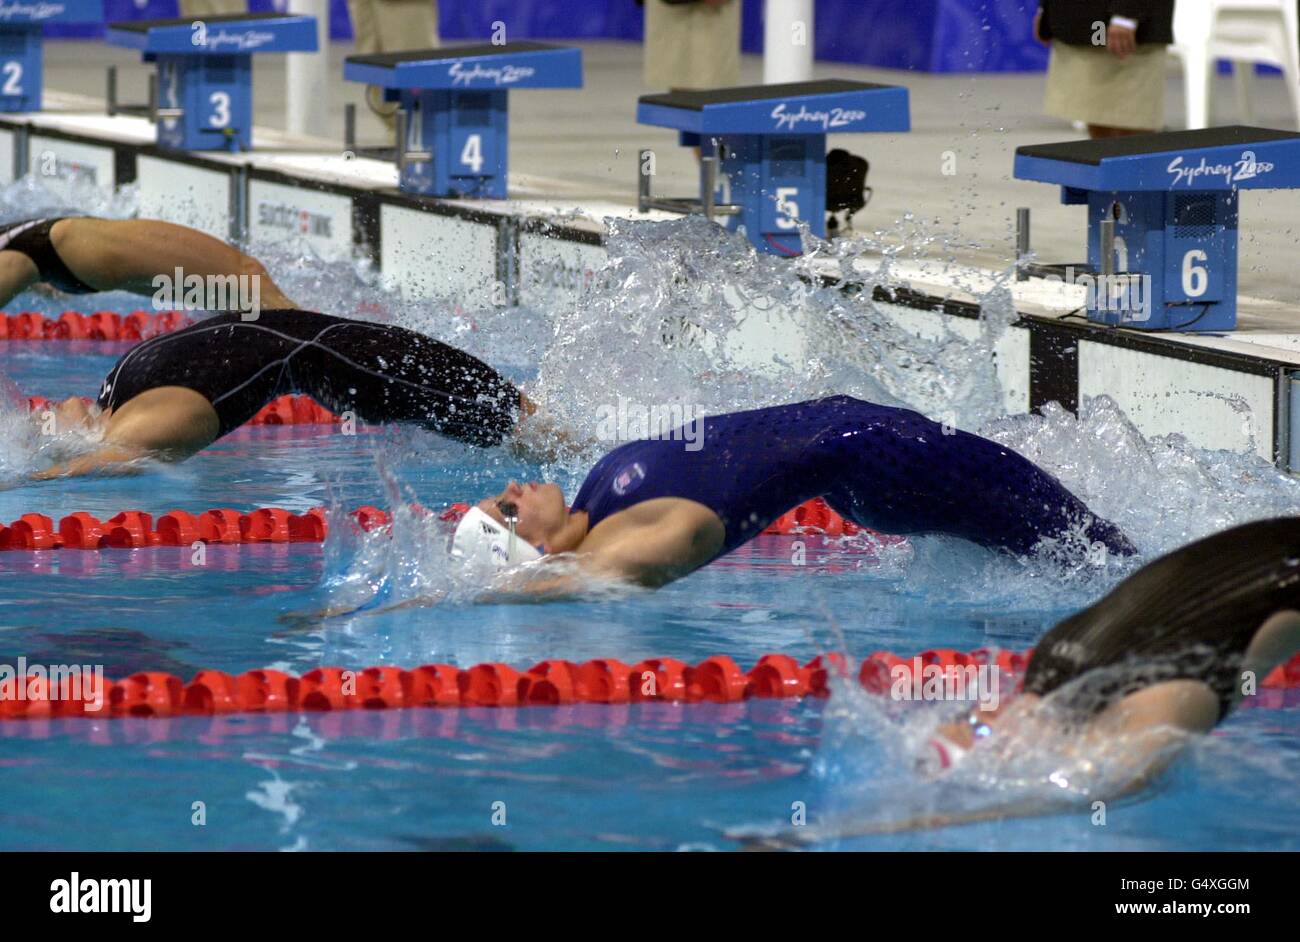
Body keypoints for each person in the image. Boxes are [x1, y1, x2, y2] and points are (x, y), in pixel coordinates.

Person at [736, 517, 1300, 847]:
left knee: (1011, 752)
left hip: (1072, 641)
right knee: (1107, 788)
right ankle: (837, 836)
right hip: (1176, 667)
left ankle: (917, 779)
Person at [452, 395, 1135, 593]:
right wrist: (472, 593)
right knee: (1094, 548)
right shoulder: (621, 547)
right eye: (508, 510)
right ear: (537, 549)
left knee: (1064, 543)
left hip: (868, 451)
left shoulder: (595, 498)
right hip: (883, 460)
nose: (513, 488)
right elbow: (591, 579)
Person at [31, 308, 542, 480]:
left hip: (341, 346)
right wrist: (32, 481)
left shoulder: (115, 396)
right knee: (525, 428)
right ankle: (582, 452)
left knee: (519, 417)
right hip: (351, 364)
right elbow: (119, 459)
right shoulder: (138, 425)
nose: (47, 411)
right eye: (49, 424)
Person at [0, 216, 296, 313]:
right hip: (76, 254)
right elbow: (19, 263)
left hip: (76, 268)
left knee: (242, 302)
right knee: (249, 277)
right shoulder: (15, 250)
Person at [1036, 0, 1175, 138]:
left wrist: (1126, 15)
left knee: (1133, 124)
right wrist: (1045, 8)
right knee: (1097, 118)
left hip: (1131, 25)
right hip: (1081, 23)